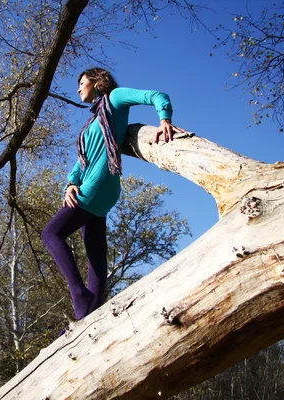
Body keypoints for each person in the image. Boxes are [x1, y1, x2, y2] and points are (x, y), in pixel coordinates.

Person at [41, 67, 184, 326]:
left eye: (82, 83)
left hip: (98, 184)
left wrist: (164, 120)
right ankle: (89, 317)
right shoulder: (96, 116)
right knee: (95, 254)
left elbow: (156, 94)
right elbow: (82, 159)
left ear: (97, 82)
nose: (78, 88)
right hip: (97, 188)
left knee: (50, 234)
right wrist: (70, 183)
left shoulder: (115, 98)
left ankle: (80, 296)